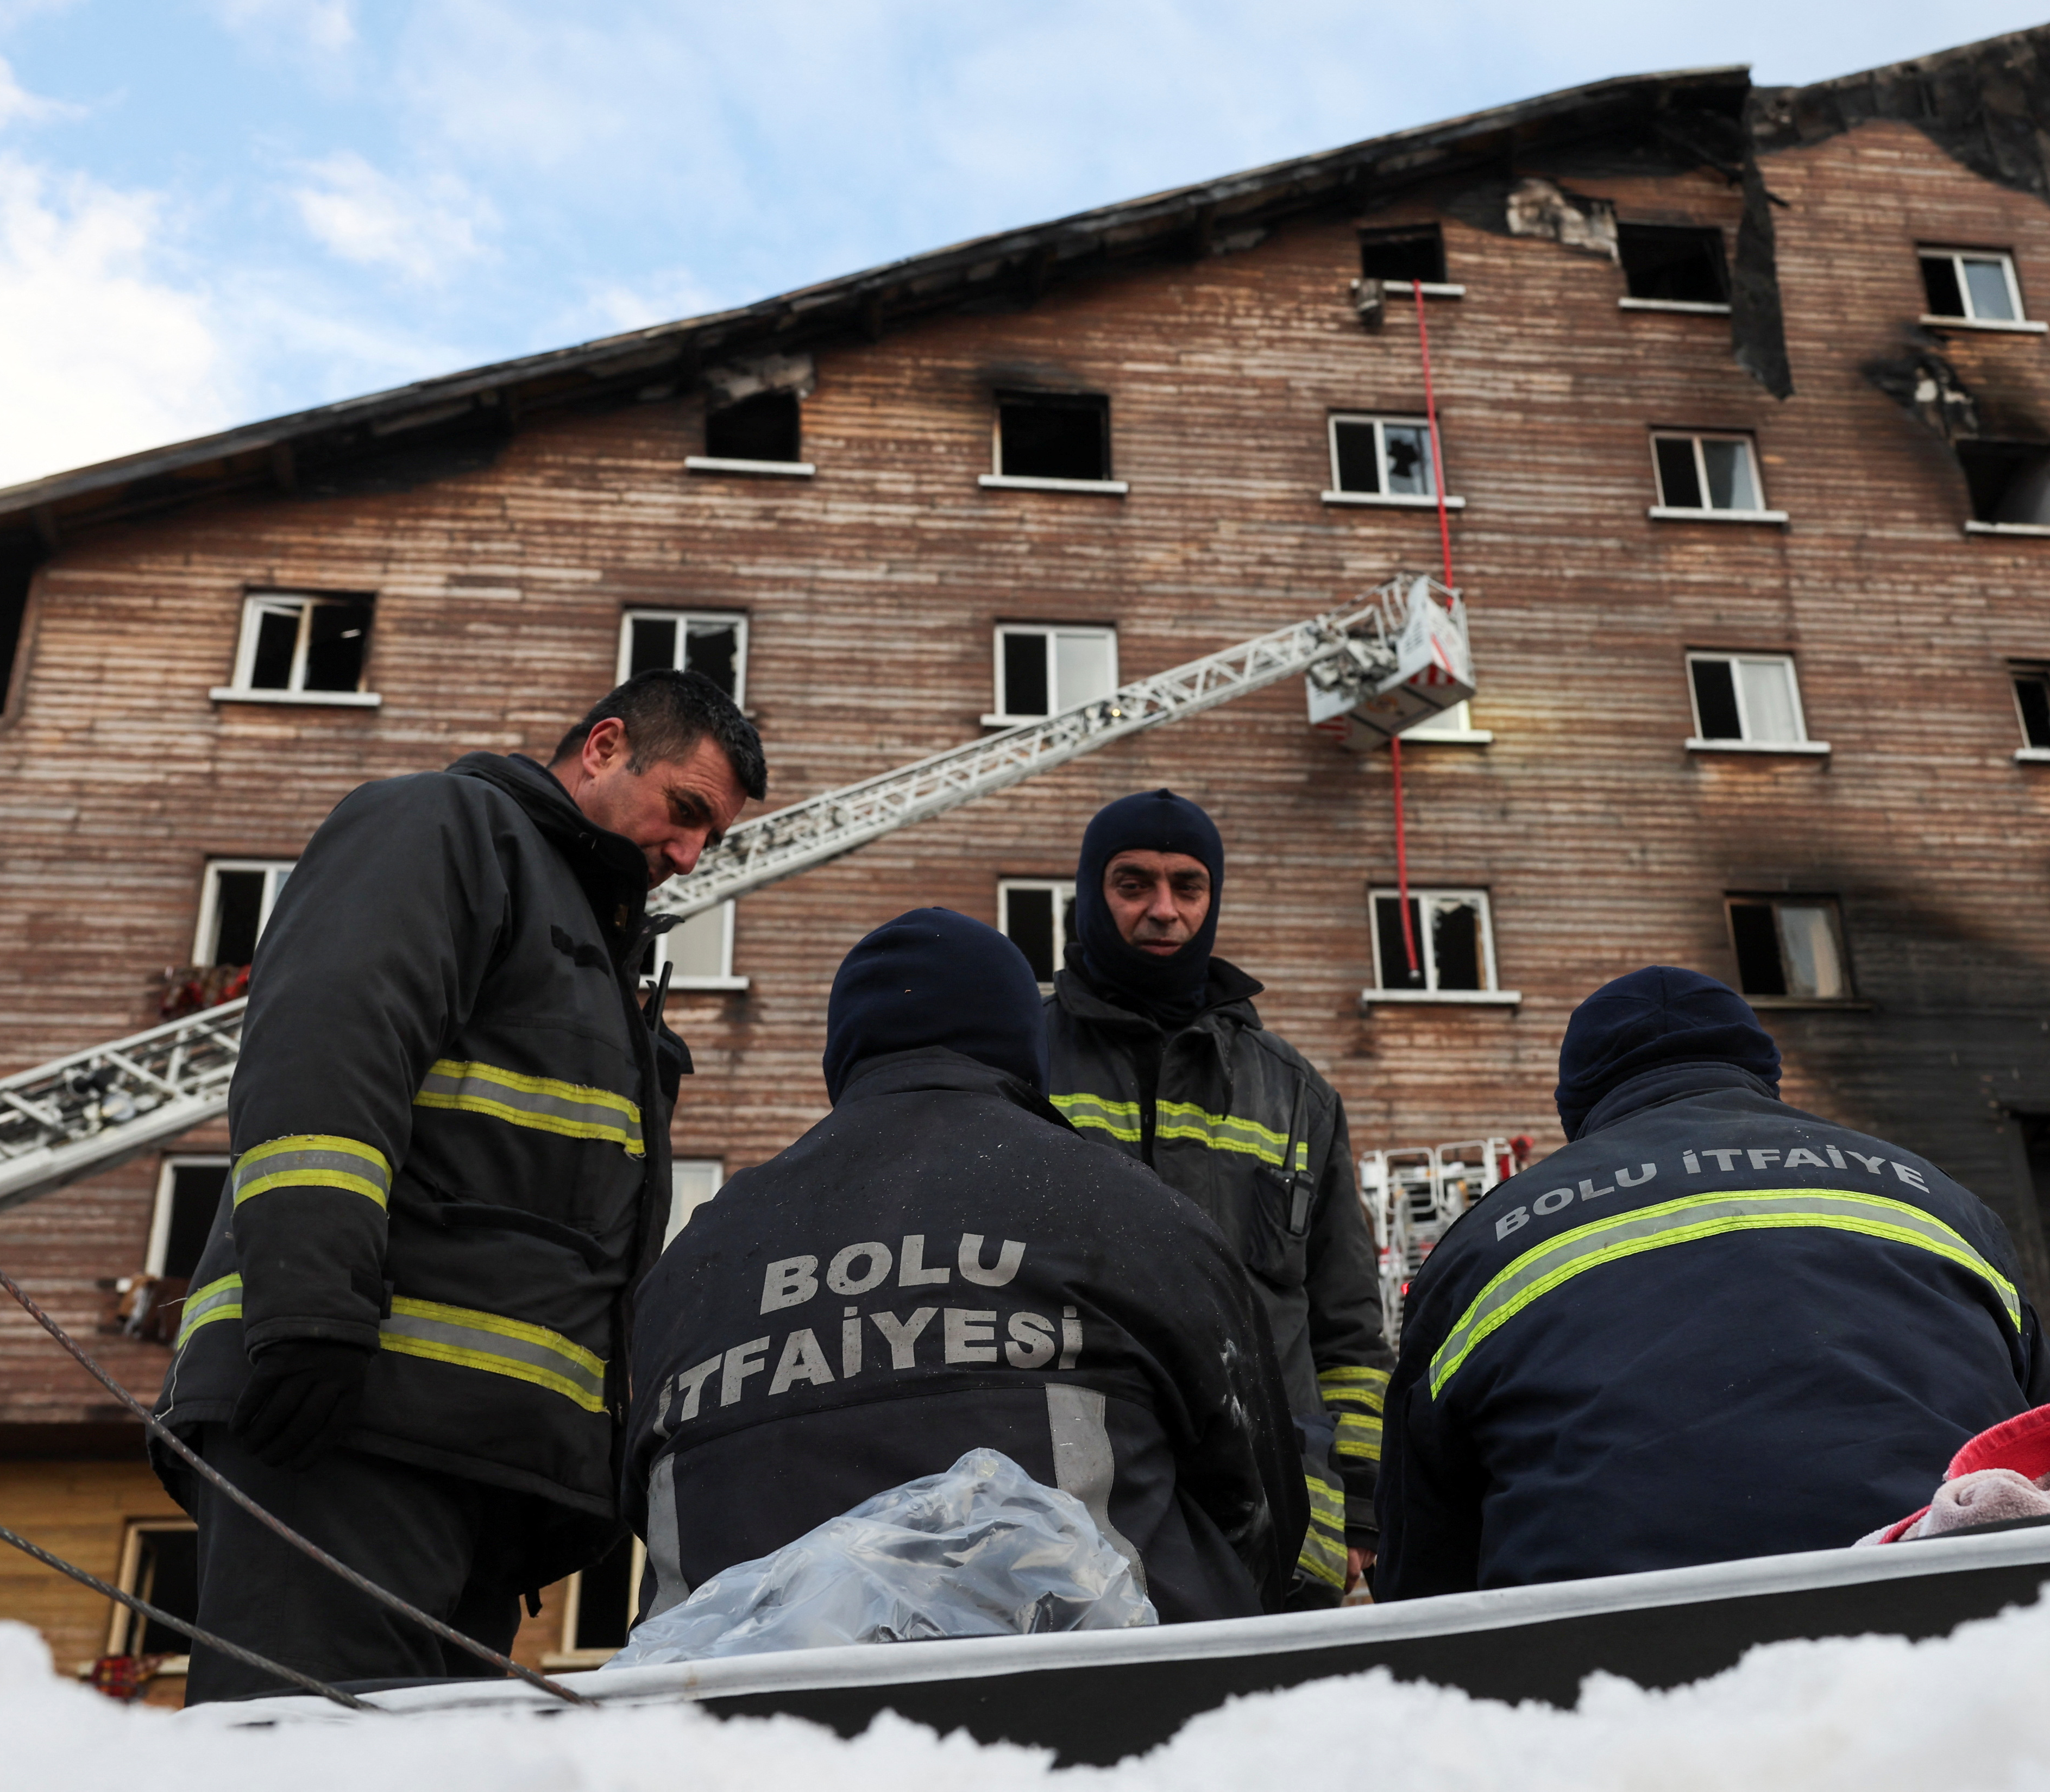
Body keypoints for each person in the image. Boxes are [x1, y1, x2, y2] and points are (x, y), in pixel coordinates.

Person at [151, 671, 764, 1699]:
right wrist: (311, 1313)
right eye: (688, 810)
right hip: (350, 1422)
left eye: (715, 836)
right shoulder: (442, 827)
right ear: (606, 746)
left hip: (485, 1467)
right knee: (308, 1770)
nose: (693, 854)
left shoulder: (593, 948)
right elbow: (328, 1050)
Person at [625, 909, 1306, 1623]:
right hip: (1098, 1704)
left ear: (844, 1056)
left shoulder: (693, 1259)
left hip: (731, 1715)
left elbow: (650, 1503)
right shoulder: (1128, 1209)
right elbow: (1258, 1502)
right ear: (1022, 1045)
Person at [1374, 966, 2050, 1598]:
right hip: (1949, 1610)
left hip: (1609, 1658)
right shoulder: (1937, 1198)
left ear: (1576, 1103)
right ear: (1764, 1073)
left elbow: (1424, 1563)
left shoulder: (1484, 1241)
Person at [1040, 790, 1390, 1606]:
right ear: (1091, 891)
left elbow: (1348, 1329)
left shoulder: (1296, 1092)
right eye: (1134, 884)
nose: (1164, 910)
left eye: (1187, 886)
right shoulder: (1022, 1058)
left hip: (1281, 1520)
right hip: (1071, 1518)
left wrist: (1364, 1506)